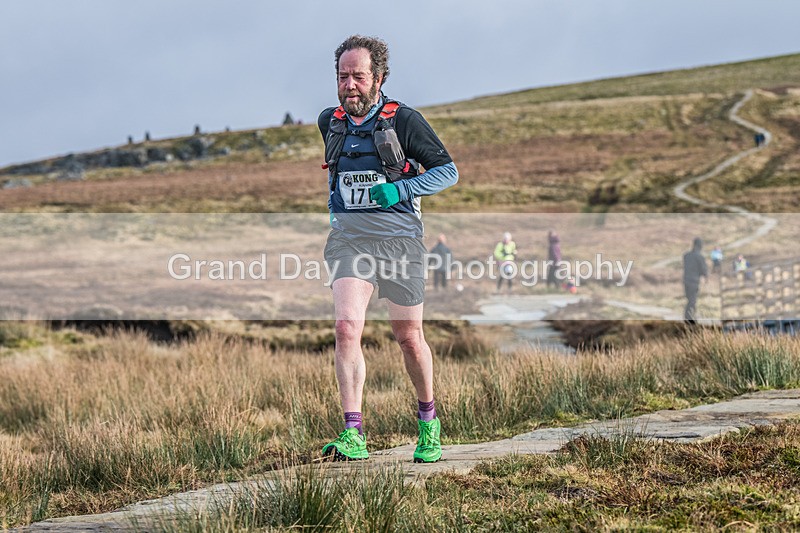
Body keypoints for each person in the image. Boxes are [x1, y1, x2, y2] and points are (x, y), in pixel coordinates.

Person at [318, 35, 458, 463]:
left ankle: (428, 425)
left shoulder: (405, 121)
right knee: (346, 329)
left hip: (400, 240)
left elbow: (447, 172)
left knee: (408, 337)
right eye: (343, 76)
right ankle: (353, 433)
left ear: (378, 78)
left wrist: (398, 188)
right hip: (350, 239)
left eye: (359, 76)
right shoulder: (330, 122)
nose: (350, 85)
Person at [683, 237, 708, 324]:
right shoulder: (699, 257)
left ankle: (688, 317)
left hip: (686, 280)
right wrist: (705, 276)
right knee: (692, 300)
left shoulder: (686, 256)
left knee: (690, 299)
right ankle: (689, 318)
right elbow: (703, 269)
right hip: (694, 281)